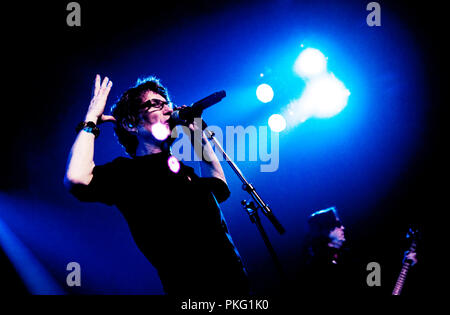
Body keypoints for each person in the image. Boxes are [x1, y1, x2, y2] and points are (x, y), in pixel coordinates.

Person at [64, 74, 249, 295]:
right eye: (155, 105)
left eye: (167, 104)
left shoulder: (182, 170)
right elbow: (76, 178)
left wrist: (195, 131)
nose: (168, 111)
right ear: (130, 124)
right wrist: (91, 119)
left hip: (237, 290)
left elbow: (218, 186)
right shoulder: (126, 173)